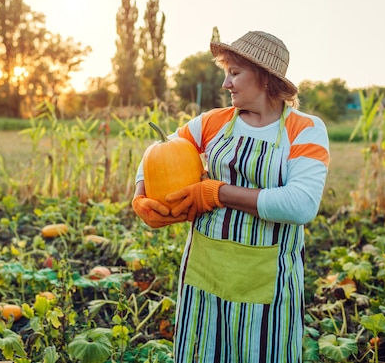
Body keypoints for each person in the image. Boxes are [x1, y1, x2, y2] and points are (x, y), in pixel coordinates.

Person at [131, 30, 330, 362]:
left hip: (265, 283)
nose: (226, 83)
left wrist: (217, 193)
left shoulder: (305, 129)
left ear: (265, 78)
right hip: (203, 276)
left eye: (235, 73)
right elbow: (157, 152)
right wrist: (142, 196)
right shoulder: (213, 122)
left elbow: (301, 205)